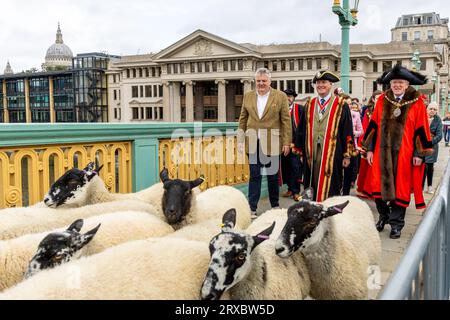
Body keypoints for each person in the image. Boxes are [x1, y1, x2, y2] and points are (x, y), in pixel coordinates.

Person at [361, 64, 433, 239]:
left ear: (407, 84)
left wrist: (419, 154)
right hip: (381, 153)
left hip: (405, 154)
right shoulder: (382, 100)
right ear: (390, 84)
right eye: (394, 82)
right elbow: (373, 126)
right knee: (377, 187)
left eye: (401, 82)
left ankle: (396, 225)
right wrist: (369, 149)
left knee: (400, 189)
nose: (397, 85)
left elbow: (422, 129)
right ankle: (383, 216)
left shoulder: (417, 103)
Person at [238, 68, 292, 218]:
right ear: (255, 81)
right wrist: (240, 140)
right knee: (254, 175)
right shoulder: (248, 96)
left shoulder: (280, 96)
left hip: (273, 141)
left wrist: (287, 142)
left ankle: (275, 206)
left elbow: (286, 121)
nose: (261, 83)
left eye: (264, 81)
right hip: (253, 141)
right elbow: (242, 119)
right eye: (258, 81)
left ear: (270, 81)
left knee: (272, 176)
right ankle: (252, 208)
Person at [293, 70, 354, 201]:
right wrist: (301, 152)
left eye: (324, 82)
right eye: (318, 82)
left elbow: (347, 131)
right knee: (311, 181)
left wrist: (347, 155)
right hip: (312, 151)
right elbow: (302, 129)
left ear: (331, 84)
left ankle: (330, 210)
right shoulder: (310, 104)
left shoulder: (340, 104)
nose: (320, 85)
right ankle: (312, 209)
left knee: (332, 182)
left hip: (333, 152)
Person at [357, 90, 382, 198]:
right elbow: (365, 126)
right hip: (368, 141)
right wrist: (363, 144)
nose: (379, 100)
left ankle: (373, 190)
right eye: (377, 98)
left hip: (379, 142)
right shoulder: (368, 111)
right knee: (365, 166)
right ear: (373, 99)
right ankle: (363, 189)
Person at [280, 89, 304, 201]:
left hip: (296, 144)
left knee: (295, 167)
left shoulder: (300, 109)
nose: (288, 98)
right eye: (286, 96)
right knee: (286, 168)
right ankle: (290, 188)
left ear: (294, 98)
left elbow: (304, 126)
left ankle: (296, 191)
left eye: (290, 96)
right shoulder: (279, 110)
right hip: (283, 144)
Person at [343, 101, 364, 195]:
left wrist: (353, 133)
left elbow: (361, 131)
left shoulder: (355, 114)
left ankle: (346, 193)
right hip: (339, 146)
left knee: (348, 170)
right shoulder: (336, 113)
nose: (348, 105)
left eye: (349, 103)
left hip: (351, 146)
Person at [422, 102, 443, 194]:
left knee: (430, 166)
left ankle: (429, 186)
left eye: (434, 109)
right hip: (421, 146)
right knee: (422, 167)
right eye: (431, 108)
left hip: (432, 147)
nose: (432, 111)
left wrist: (430, 142)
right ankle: (420, 187)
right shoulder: (422, 117)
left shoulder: (438, 120)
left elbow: (439, 135)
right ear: (427, 109)